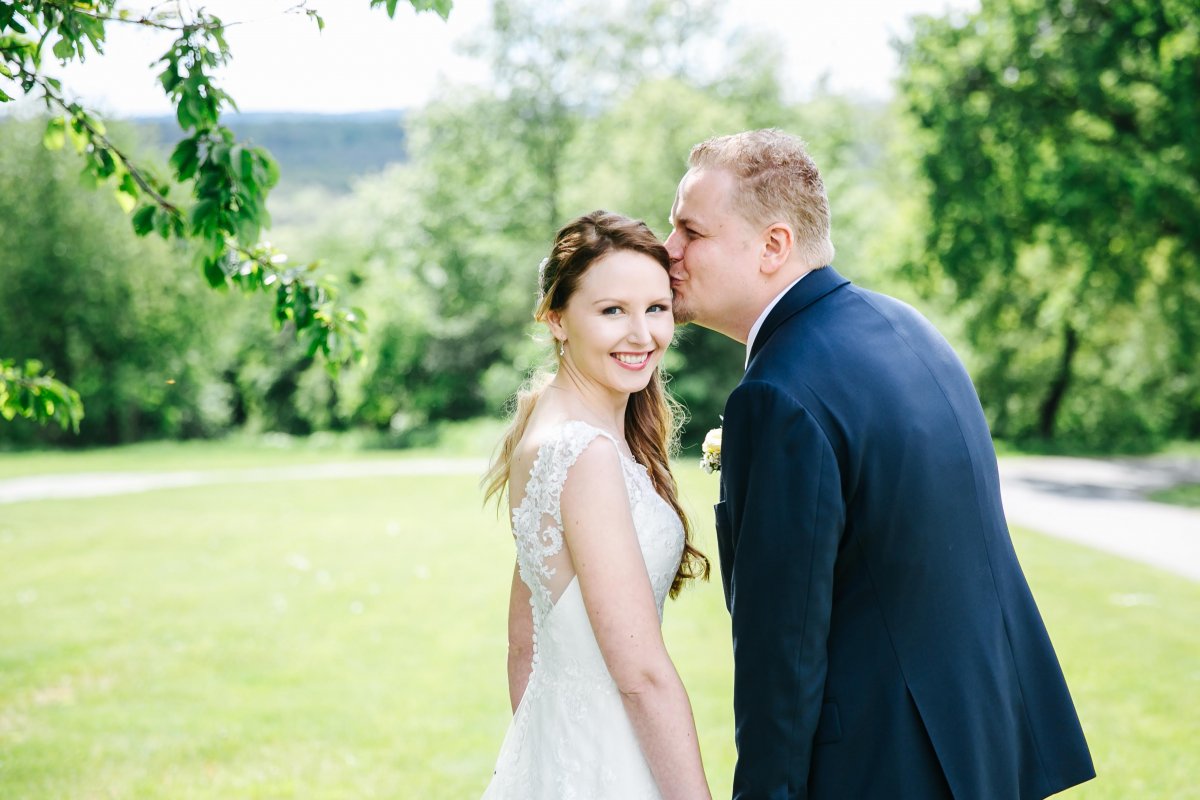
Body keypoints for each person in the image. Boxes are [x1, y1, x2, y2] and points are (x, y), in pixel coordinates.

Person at [664, 129, 1095, 799]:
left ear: (774, 246)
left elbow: (783, 654)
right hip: (983, 745)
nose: (669, 252)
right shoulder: (907, 327)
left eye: (691, 231)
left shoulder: (776, 395)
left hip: (881, 766)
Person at [480, 210, 713, 799]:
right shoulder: (584, 454)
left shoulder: (547, 427)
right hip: (612, 763)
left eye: (656, 308)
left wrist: (551, 760)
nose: (643, 336)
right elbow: (640, 676)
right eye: (613, 311)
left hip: (573, 758)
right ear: (557, 319)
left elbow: (523, 640)